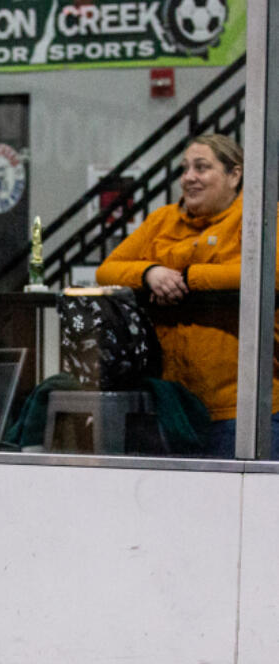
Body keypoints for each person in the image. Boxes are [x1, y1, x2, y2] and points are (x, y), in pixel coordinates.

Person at [96, 134, 279, 458]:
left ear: (234, 175)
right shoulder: (161, 220)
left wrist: (189, 279)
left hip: (242, 412)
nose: (189, 177)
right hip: (173, 408)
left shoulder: (260, 218)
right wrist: (150, 274)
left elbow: (269, 273)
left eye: (202, 167)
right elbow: (107, 271)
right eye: (184, 169)